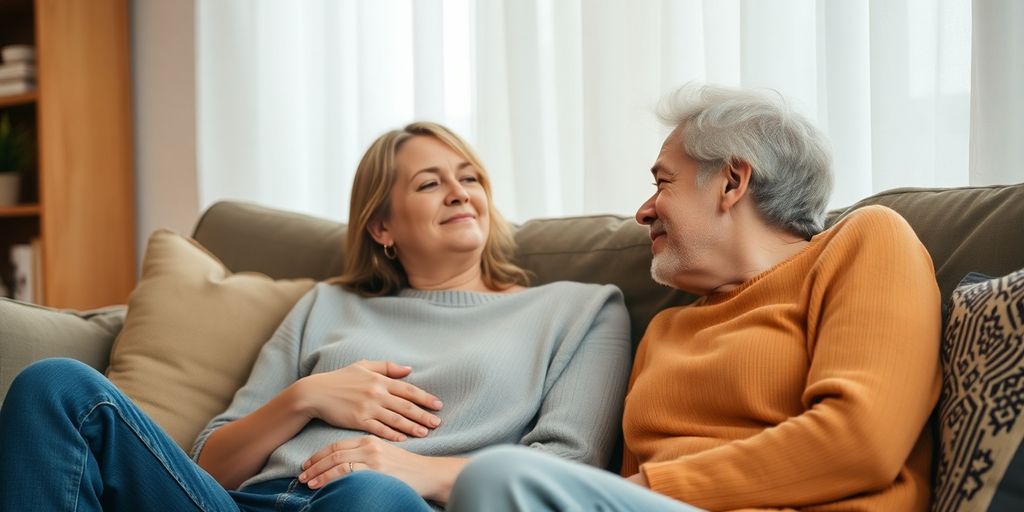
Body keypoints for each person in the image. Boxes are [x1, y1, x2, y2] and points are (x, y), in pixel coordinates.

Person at [0, 122, 632, 511]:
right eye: (429, 183)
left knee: (371, 494)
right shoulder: (327, 303)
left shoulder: (579, 309)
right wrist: (306, 397)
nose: (461, 191)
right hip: (240, 505)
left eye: (470, 178)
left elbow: (567, 476)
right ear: (382, 225)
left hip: (375, 505)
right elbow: (208, 465)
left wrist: (408, 468)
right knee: (55, 386)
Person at [448, 84, 942, 511]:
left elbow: (861, 443)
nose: (643, 212)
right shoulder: (666, 329)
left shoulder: (865, 242)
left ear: (731, 181)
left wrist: (648, 489)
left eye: (662, 182)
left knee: (498, 479)